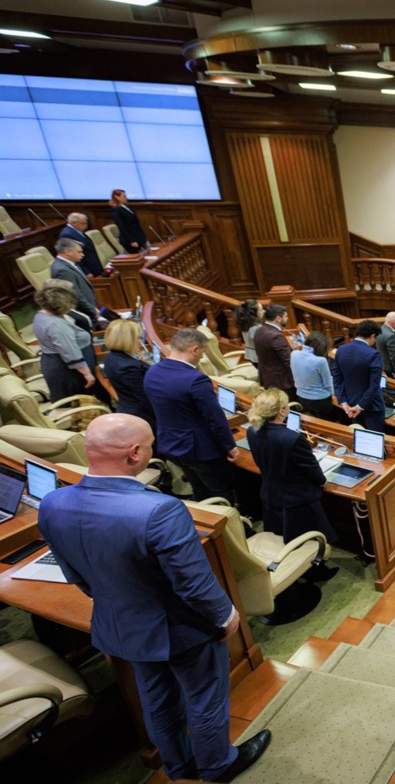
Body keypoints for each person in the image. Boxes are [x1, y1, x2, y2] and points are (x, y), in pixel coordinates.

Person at [39, 414, 271, 783]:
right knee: (205, 700)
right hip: (181, 631)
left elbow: (77, 576)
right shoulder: (160, 510)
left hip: (119, 626)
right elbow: (193, 584)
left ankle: (178, 767)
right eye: (149, 444)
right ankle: (217, 766)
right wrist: (225, 616)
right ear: (134, 454)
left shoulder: (52, 502)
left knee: (157, 700)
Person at [144, 328, 238, 503]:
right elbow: (215, 419)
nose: (201, 358)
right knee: (221, 492)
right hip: (201, 450)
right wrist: (230, 446)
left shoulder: (152, 372)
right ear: (194, 350)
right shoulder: (196, 379)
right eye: (202, 353)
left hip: (172, 444)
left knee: (199, 489)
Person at [245, 388, 336, 544]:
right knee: (306, 542)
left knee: (281, 537)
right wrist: (323, 482)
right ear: (282, 412)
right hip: (297, 500)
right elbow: (310, 468)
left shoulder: (252, 431)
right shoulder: (292, 438)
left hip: (270, 494)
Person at [32, 284, 100, 402]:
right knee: (82, 403)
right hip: (68, 371)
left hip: (55, 364)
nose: (71, 307)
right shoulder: (56, 324)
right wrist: (87, 374)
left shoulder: (41, 315)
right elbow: (69, 351)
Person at [102, 319, 156, 431]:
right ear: (127, 340)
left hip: (129, 407)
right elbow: (144, 398)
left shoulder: (112, 357)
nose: (140, 341)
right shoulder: (127, 367)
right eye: (138, 338)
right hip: (142, 418)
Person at [332, 320, 385, 433]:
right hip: (372, 407)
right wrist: (360, 406)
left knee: (359, 437)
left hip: (350, 404)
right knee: (373, 440)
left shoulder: (341, 350)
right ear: (372, 336)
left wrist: (343, 402)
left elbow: (337, 379)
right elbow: (374, 385)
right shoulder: (373, 354)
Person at [292, 330, 340, 422]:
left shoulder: (294, 354)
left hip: (302, 398)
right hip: (321, 401)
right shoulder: (320, 361)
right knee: (328, 425)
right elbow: (328, 384)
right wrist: (334, 395)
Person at [253, 304, 297, 397]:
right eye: (285, 316)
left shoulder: (259, 330)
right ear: (278, 319)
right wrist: (295, 352)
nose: (287, 318)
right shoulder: (276, 336)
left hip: (267, 377)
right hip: (282, 382)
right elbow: (289, 361)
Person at [50, 237, 99, 319]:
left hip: (89, 308)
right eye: (79, 252)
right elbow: (75, 295)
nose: (82, 255)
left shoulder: (70, 264)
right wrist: (93, 310)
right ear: (68, 252)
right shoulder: (62, 270)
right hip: (84, 313)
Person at [59, 212, 105, 276]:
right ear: (73, 223)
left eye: (86, 223)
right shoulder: (67, 234)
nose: (86, 226)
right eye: (83, 224)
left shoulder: (78, 231)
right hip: (88, 271)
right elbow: (73, 256)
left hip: (94, 267)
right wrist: (86, 272)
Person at [109, 188, 148, 253]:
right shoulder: (116, 211)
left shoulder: (126, 207)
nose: (126, 198)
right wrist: (131, 240)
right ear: (117, 197)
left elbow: (135, 223)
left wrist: (143, 237)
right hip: (130, 240)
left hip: (138, 236)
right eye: (124, 196)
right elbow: (122, 227)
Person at [232, 299, 263, 367]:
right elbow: (262, 344)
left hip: (250, 354)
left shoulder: (245, 323)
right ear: (254, 313)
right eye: (261, 310)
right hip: (258, 357)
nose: (263, 311)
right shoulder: (255, 328)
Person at [376, 311, 395, 380]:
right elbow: (394, 356)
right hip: (393, 371)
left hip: (384, 366)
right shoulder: (390, 336)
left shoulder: (380, 329)